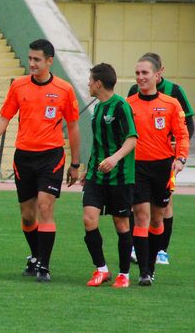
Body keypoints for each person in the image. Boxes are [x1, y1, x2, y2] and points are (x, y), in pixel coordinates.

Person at [0, 39, 81, 282]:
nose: (31, 63)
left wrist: (75, 163)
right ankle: (36, 257)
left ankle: (44, 266)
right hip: (23, 157)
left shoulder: (64, 89)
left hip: (51, 157)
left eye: (37, 59)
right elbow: (4, 118)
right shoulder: (19, 87)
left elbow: (73, 128)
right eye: (30, 58)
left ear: (49, 61)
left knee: (45, 207)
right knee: (27, 215)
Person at [126, 55, 189, 286]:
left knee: (157, 218)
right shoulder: (129, 104)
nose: (140, 77)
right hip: (137, 167)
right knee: (141, 216)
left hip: (162, 166)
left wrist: (180, 158)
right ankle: (143, 271)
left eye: (145, 73)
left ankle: (151, 265)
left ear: (157, 75)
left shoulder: (171, 103)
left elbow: (182, 134)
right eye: (138, 73)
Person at [79, 63, 137, 288]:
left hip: (120, 177)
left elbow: (132, 139)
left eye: (90, 80)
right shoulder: (98, 108)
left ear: (99, 83)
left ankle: (124, 274)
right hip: (97, 175)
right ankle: (101, 269)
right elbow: (99, 143)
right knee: (88, 219)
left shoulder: (121, 106)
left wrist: (114, 159)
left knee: (121, 224)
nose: (88, 84)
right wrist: (88, 167)